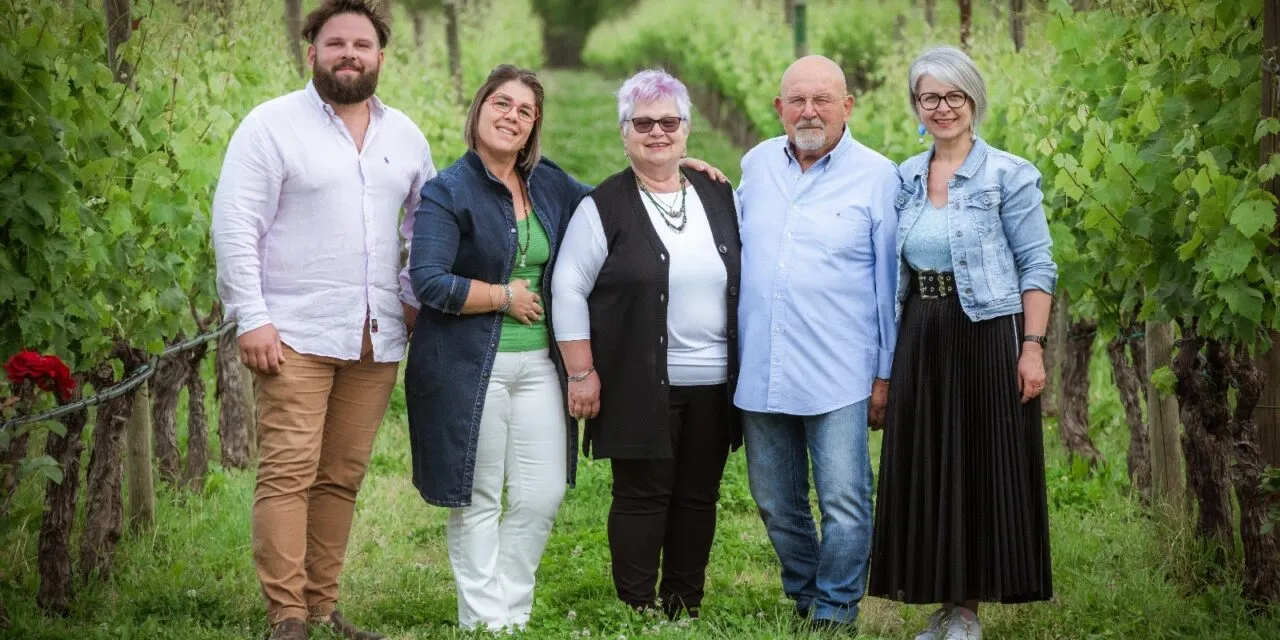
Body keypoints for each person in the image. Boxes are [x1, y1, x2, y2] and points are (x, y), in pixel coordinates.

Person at [405, 65, 726, 632]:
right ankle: (485, 619)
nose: (512, 117)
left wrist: (672, 168)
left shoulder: (546, 183)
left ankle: (513, 607)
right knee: (479, 495)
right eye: (502, 104)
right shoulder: (447, 191)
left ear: (534, 125)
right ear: (479, 110)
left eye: (525, 111)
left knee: (542, 492)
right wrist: (502, 296)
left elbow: (615, 205)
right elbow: (428, 280)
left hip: (537, 364)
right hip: (469, 364)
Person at [211, 2, 433, 639]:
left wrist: (411, 296)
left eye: (362, 44)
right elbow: (235, 224)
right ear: (311, 52)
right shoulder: (271, 126)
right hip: (293, 334)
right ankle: (287, 616)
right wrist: (251, 317)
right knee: (288, 472)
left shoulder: (406, 136)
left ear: (381, 56)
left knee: (341, 478)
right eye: (336, 43)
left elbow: (426, 225)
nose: (350, 55)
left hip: (375, 337)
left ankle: (322, 606)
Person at [867, 46, 1056, 640]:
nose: (943, 107)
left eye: (955, 96)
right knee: (929, 464)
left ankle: (967, 610)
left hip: (986, 333)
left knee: (977, 465)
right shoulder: (902, 177)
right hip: (921, 333)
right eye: (930, 97)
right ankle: (944, 604)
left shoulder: (1009, 174)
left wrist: (1032, 346)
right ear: (916, 105)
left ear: (974, 101)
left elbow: (1038, 264)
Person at [551, 69, 741, 621]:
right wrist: (581, 372)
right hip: (639, 380)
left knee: (698, 496)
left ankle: (684, 604)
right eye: (643, 123)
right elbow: (568, 287)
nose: (657, 132)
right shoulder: (603, 206)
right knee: (641, 495)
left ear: (686, 130)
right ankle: (637, 607)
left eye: (669, 122)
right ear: (624, 132)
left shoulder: (718, 193)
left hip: (714, 381)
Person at [735, 55, 900, 633]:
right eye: (797, 100)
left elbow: (890, 287)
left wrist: (885, 373)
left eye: (823, 99)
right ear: (779, 108)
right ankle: (807, 595)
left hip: (840, 372)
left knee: (844, 502)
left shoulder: (879, 176)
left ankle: (835, 609)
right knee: (775, 501)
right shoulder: (755, 164)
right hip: (764, 363)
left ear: (846, 106)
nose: (809, 111)